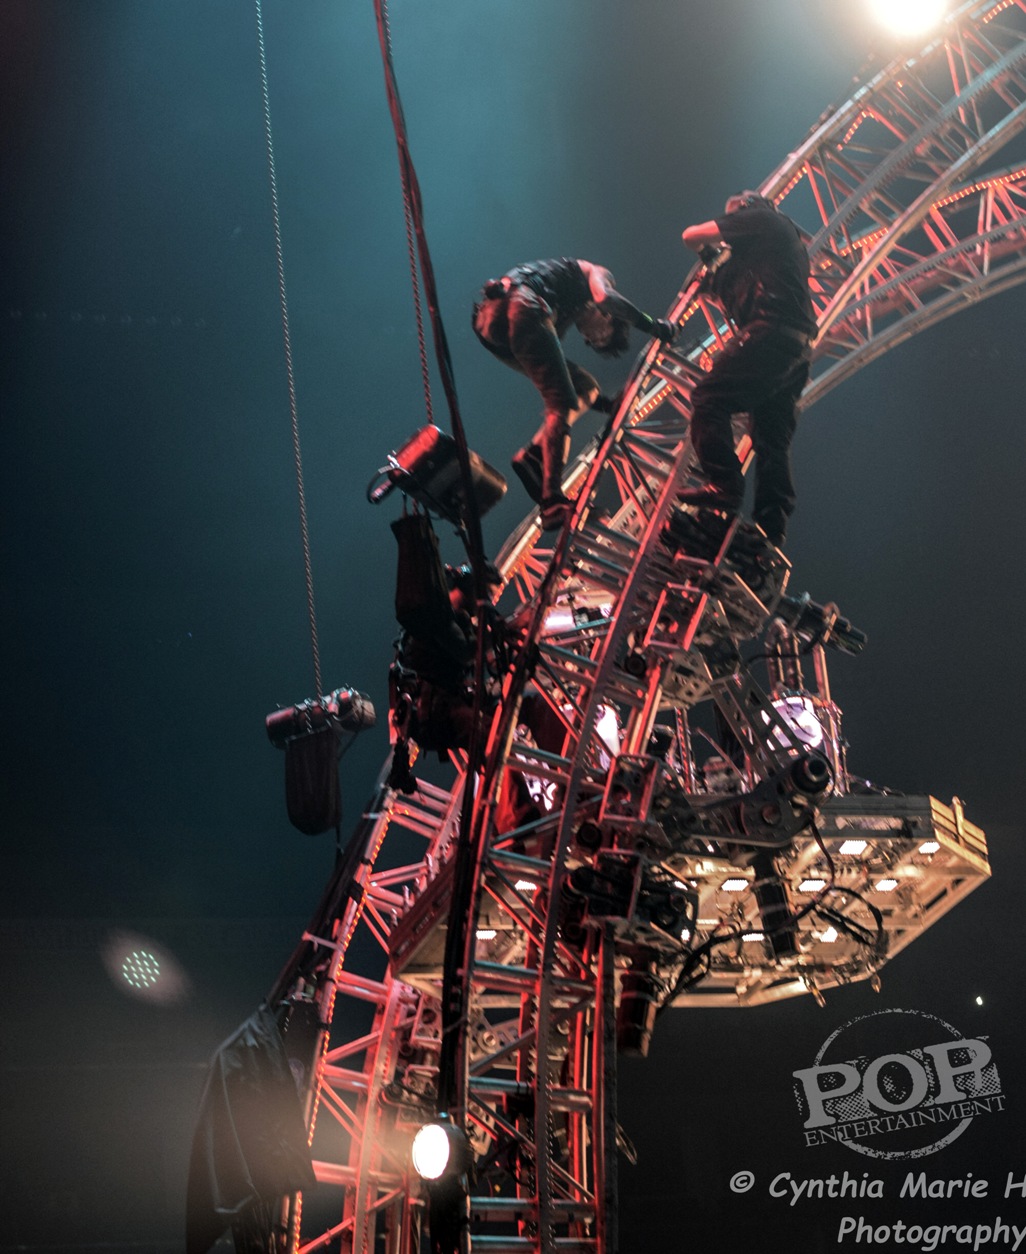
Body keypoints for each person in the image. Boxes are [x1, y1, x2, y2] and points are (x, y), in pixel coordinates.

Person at [473, 258, 677, 531]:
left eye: (593, 342)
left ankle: (535, 454)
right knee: (561, 404)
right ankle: (552, 502)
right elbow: (605, 297)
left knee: (584, 386)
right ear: (608, 316)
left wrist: (609, 406)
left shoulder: (559, 309)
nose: (588, 339)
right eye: (600, 337)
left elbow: (563, 385)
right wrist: (655, 326)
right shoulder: (595, 273)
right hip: (520, 305)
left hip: (488, 325)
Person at [679, 192, 816, 547]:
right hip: (795, 347)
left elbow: (690, 235)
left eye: (734, 214)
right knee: (771, 437)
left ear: (749, 206)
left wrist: (707, 245)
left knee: (708, 399)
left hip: (768, 332)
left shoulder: (762, 219)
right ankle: (771, 529)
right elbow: (721, 289)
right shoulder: (770, 250)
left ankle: (724, 485)